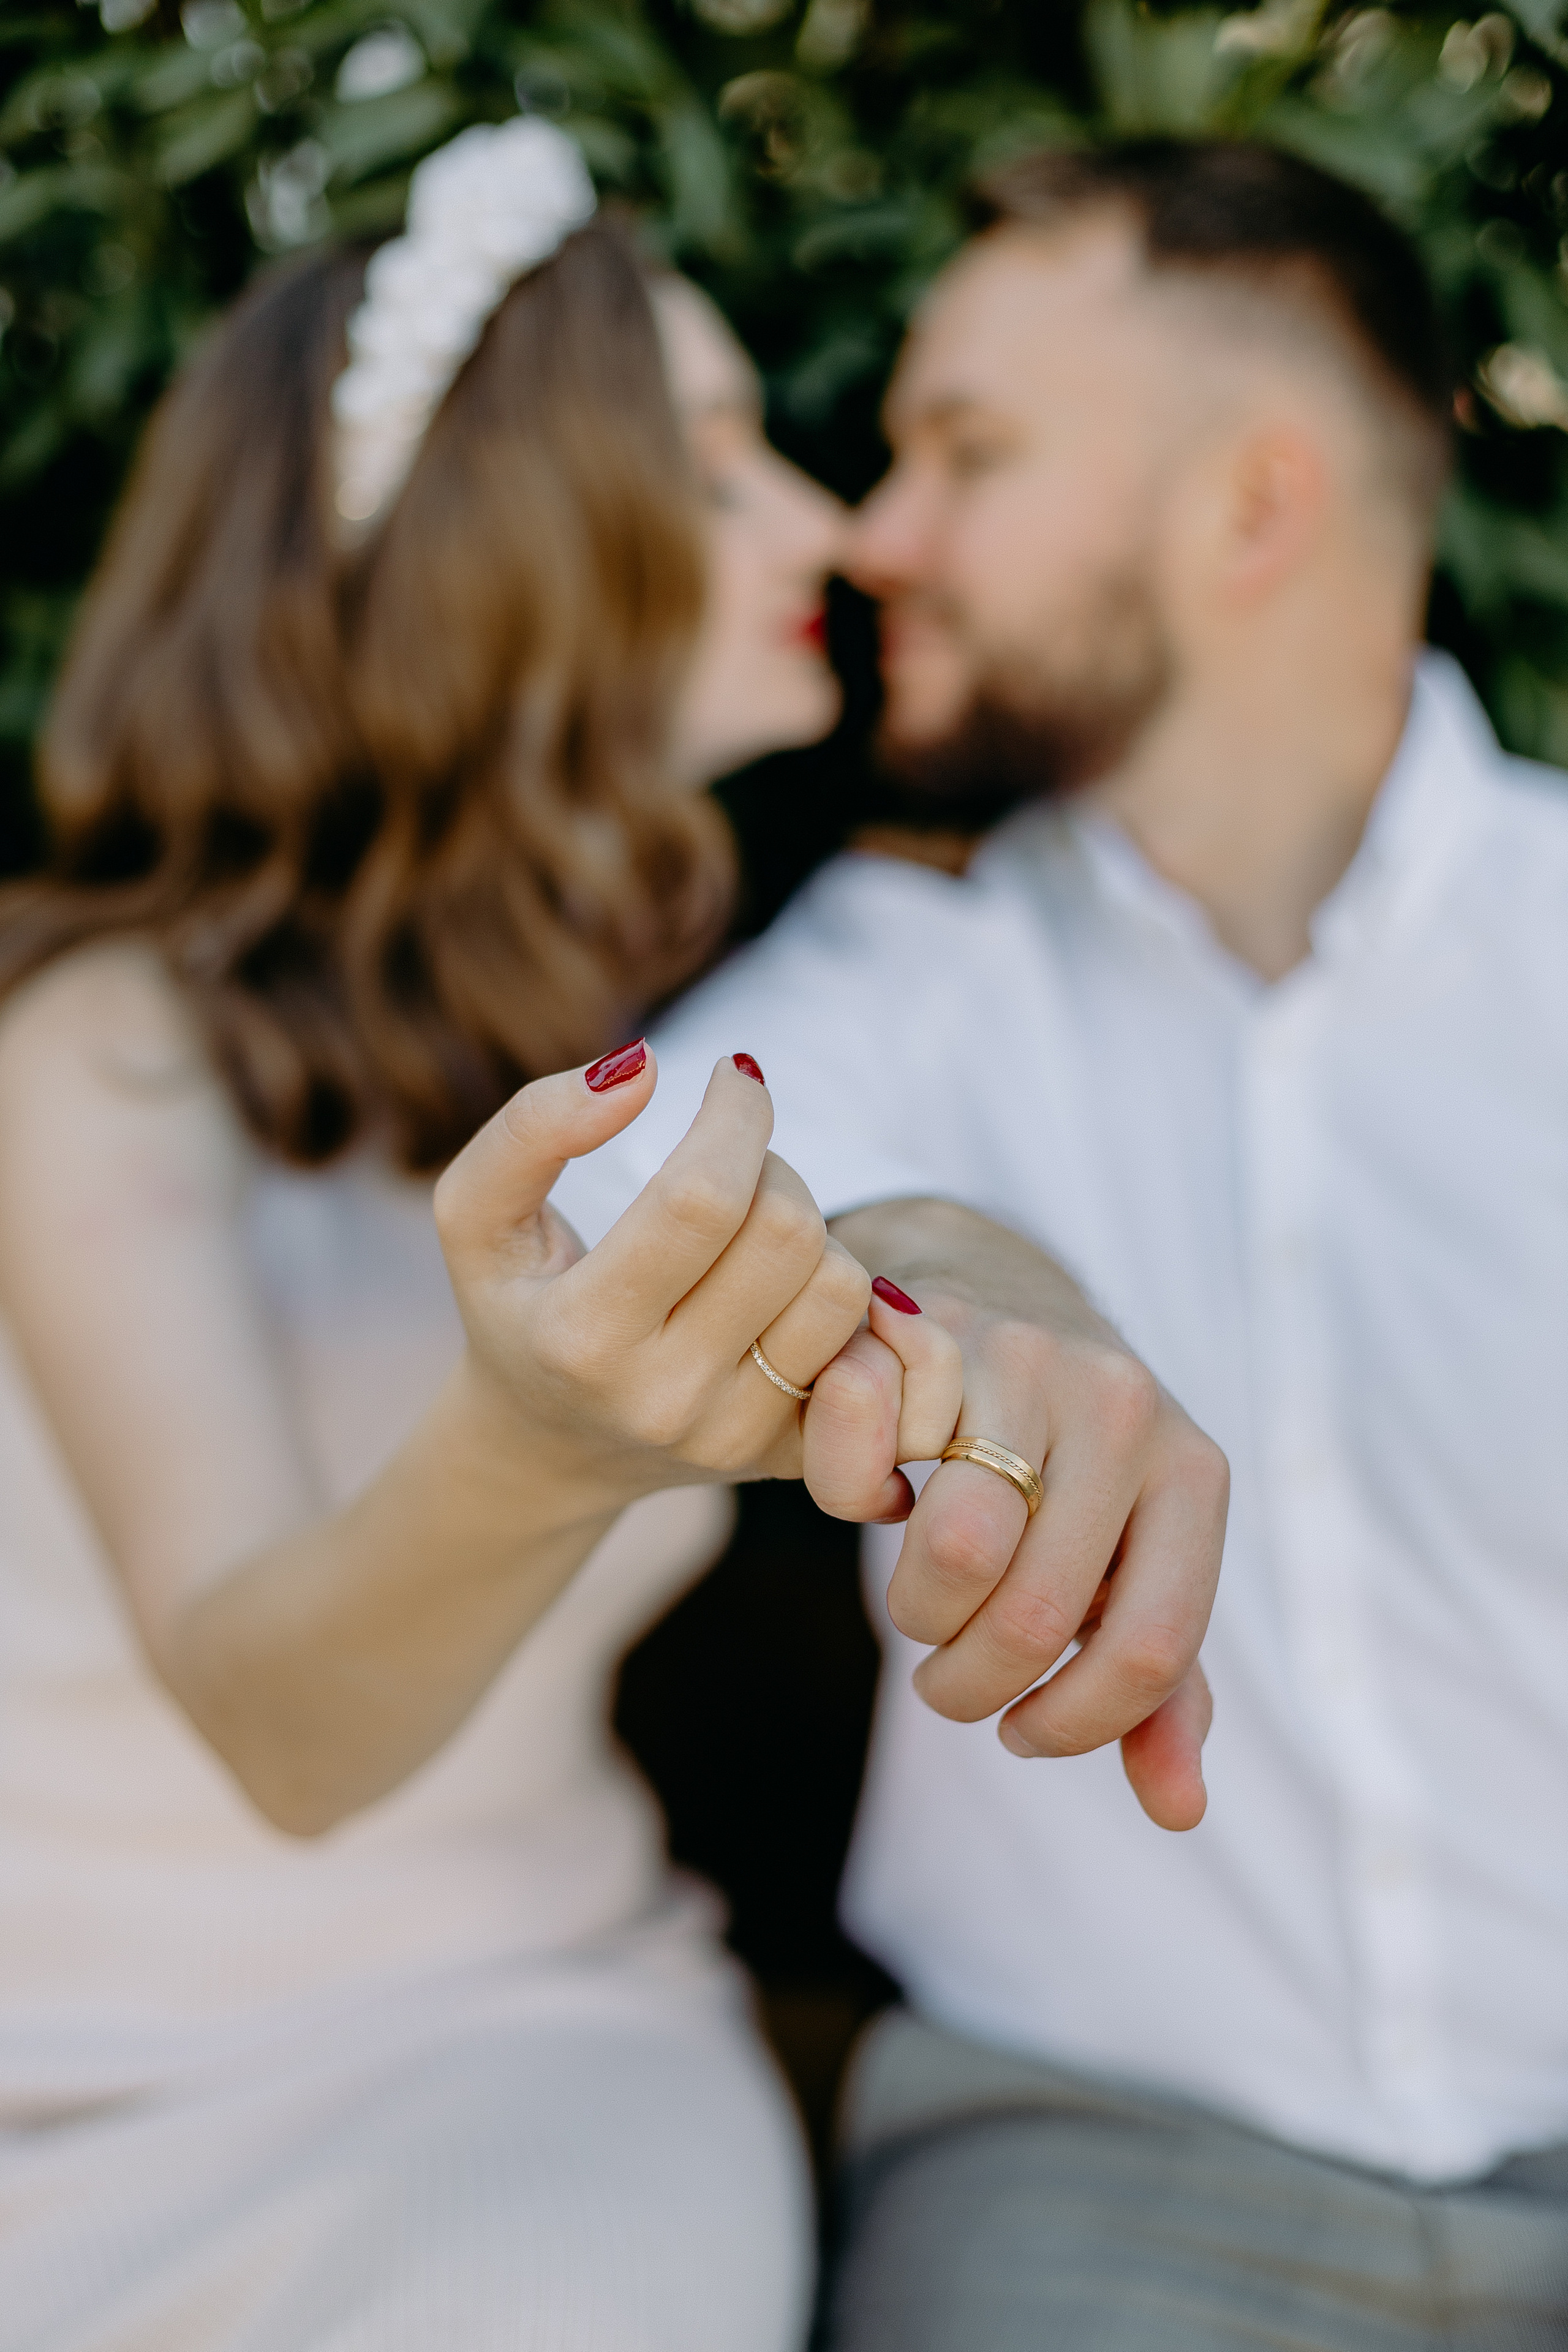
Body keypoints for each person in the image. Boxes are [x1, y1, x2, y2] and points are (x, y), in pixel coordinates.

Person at [550, 140, 1568, 2349]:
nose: (877, 533)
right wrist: (966, 1288)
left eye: (965, 451)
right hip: (1087, 2172)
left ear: (1251, 506)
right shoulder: (908, 972)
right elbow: (608, 1230)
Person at [0, 116, 954, 2352]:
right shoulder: (99, 1048)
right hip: (61, 2092)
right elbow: (282, 1726)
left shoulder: (691, 1044)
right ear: (509, 544)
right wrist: (539, 1450)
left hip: (514, 2044)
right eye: (720, 462)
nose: (819, 525)